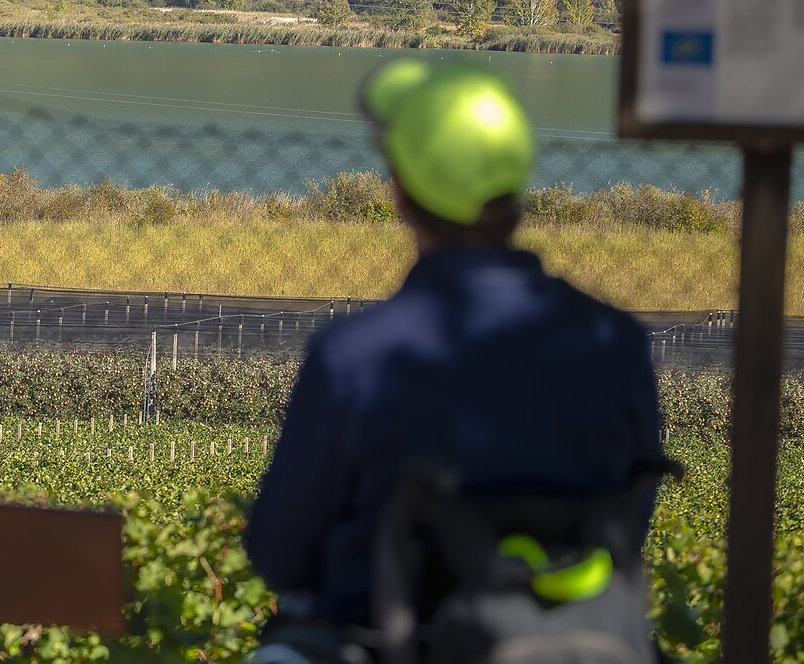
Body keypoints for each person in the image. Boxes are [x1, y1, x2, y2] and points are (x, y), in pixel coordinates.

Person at [246, 59, 663, 626]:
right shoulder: (612, 343)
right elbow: (629, 524)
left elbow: (280, 556)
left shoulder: (357, 359)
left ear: (399, 191)